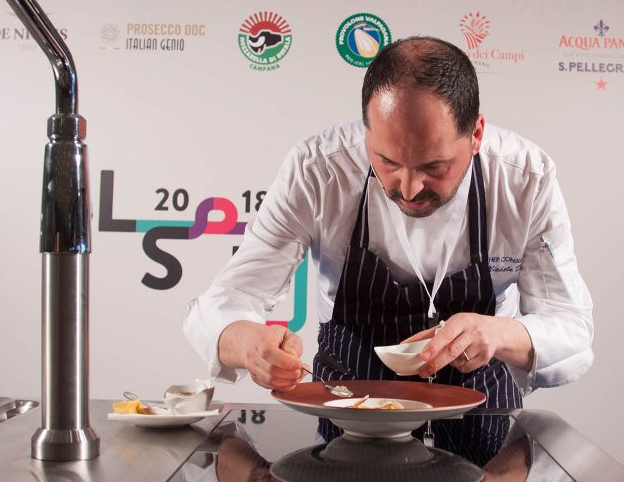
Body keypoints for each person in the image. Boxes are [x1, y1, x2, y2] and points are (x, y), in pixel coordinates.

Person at [183, 36, 593, 418]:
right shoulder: (318, 171)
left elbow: (571, 327)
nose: (409, 188)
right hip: (350, 409)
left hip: (483, 413)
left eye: (434, 166)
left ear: (476, 134)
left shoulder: (524, 178)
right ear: (367, 131)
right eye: (388, 162)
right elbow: (231, 296)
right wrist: (247, 343)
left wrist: (499, 333)